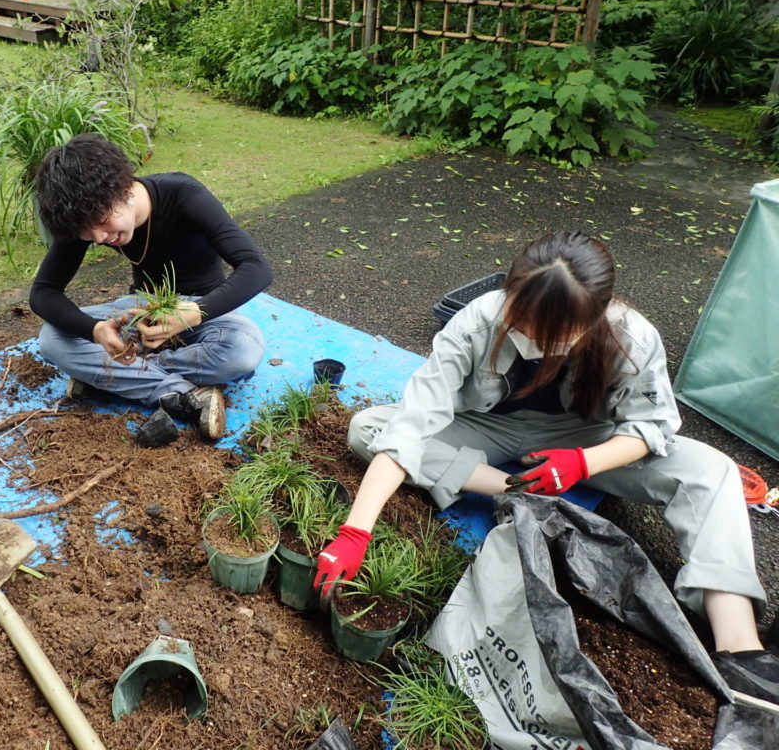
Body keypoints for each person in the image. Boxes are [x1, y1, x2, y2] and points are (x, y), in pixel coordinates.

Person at [314, 230, 779, 703]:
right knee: (369, 427)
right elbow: (411, 425)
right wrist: (356, 532)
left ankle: (739, 647)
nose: (536, 342)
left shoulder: (630, 338)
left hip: (582, 441)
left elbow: (651, 427)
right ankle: (514, 489)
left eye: (555, 336)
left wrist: (582, 463)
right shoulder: (477, 322)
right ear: (510, 294)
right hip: (485, 428)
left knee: (712, 470)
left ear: (594, 317)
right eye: (525, 326)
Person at [29, 134, 272, 440]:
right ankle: (182, 394)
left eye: (103, 221)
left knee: (244, 349)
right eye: (86, 233)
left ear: (123, 187)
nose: (100, 238)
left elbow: (256, 267)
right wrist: (95, 330)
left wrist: (196, 311)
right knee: (51, 338)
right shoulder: (84, 216)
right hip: (141, 314)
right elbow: (43, 292)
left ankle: (106, 375)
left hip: (201, 312)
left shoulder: (184, 194)